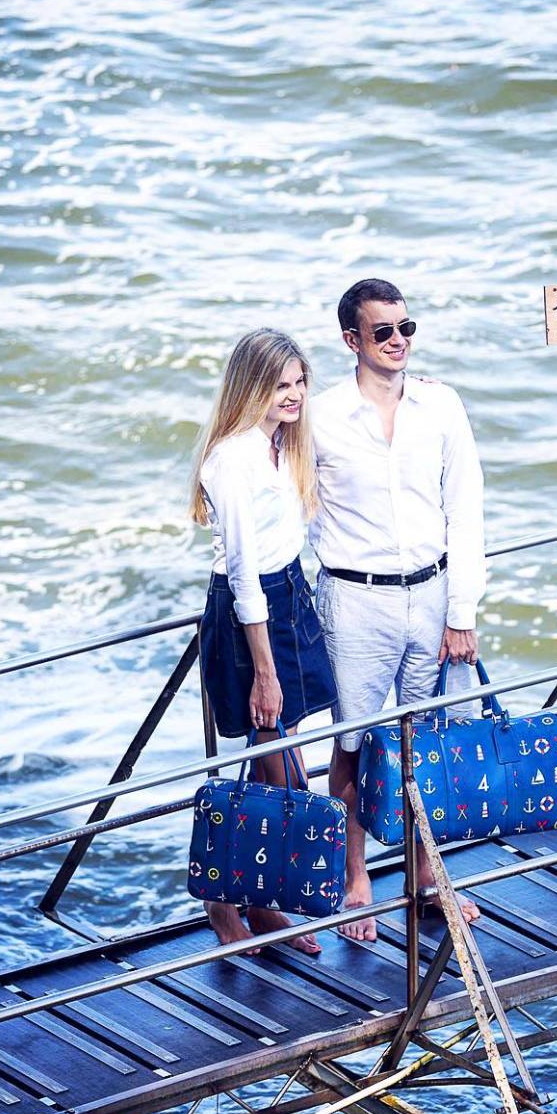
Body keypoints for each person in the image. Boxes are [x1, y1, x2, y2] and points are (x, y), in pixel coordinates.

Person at [311, 279, 486, 941]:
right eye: (382, 331)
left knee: (427, 742)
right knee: (351, 741)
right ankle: (354, 876)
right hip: (354, 597)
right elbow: (289, 498)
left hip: (432, 594)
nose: (398, 341)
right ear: (351, 340)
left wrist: (461, 610)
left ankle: (425, 876)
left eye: (405, 328)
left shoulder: (441, 405)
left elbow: (465, 507)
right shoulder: (321, 416)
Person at [191, 328, 338, 954]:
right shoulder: (232, 459)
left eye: (300, 382)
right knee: (278, 768)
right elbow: (243, 574)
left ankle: (258, 899)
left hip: (290, 594)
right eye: (280, 385)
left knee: (269, 764)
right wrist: (265, 672)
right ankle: (223, 904)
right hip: (250, 615)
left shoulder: (282, 446)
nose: (294, 395)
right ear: (252, 387)